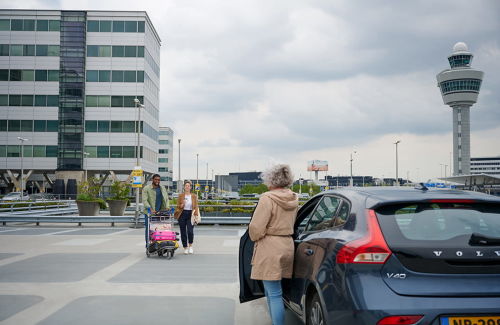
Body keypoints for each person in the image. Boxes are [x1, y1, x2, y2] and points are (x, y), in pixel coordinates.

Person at [249, 164, 298, 325]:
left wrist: (256, 236)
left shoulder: (267, 198)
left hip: (270, 247)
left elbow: (256, 228)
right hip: (287, 244)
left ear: (271, 179)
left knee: (273, 293)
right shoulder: (293, 197)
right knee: (277, 291)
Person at [174, 180, 200, 255]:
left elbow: (196, 206)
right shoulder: (181, 196)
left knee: (190, 231)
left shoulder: (194, 196)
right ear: (184, 187)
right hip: (182, 214)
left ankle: (190, 246)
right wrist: (182, 205)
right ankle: (185, 247)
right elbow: (178, 206)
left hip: (190, 214)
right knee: (183, 232)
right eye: (186, 186)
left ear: (190, 187)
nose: (187, 187)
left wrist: (196, 213)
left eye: (189, 186)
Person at [142, 174, 170, 244]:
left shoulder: (162, 188)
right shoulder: (146, 188)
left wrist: (167, 206)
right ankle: (148, 245)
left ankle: (158, 244)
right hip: (149, 213)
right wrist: (150, 208)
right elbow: (144, 200)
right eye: (156, 179)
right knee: (149, 230)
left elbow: (166, 198)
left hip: (159, 213)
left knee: (158, 230)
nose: (157, 181)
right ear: (152, 180)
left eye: (159, 180)